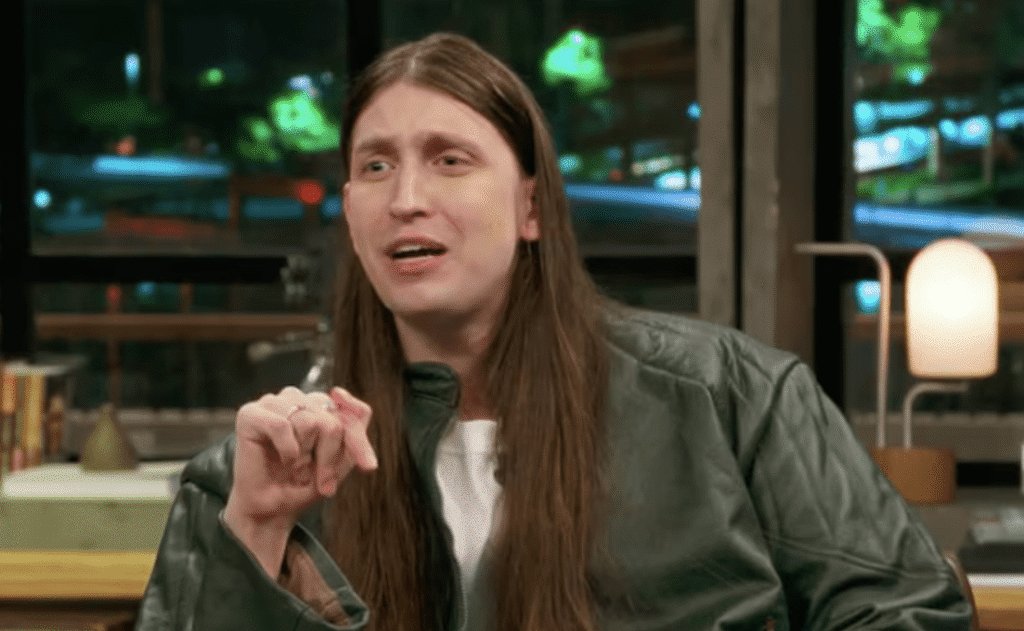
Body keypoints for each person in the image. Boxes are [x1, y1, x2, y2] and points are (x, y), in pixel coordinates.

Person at [135, 33, 971, 631]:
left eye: (450, 159)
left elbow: (908, 613)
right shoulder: (250, 477)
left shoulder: (736, 398)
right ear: (351, 214)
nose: (406, 198)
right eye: (375, 166)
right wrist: (255, 532)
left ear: (530, 206)